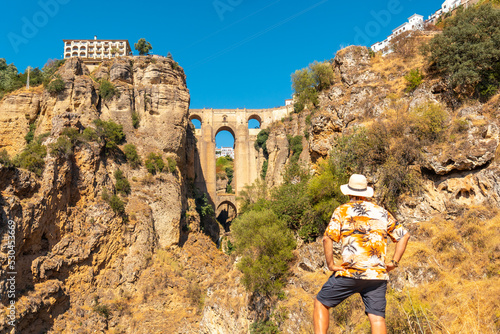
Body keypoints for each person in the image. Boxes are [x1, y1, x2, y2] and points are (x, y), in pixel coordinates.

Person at [313, 174, 410, 334]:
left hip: (349, 273)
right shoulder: (382, 212)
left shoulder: (342, 210)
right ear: (366, 192)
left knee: (321, 303)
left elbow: (327, 238)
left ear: (349, 192)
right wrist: (394, 263)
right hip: (377, 276)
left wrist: (331, 265)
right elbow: (404, 236)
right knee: (377, 318)